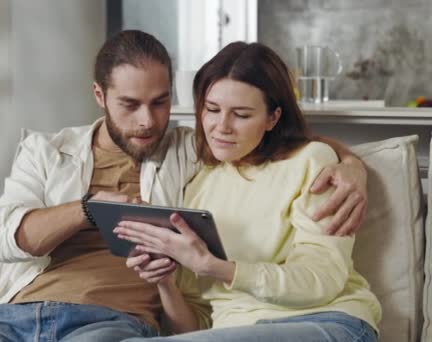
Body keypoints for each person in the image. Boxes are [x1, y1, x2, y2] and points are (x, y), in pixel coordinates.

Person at [0, 31, 369, 342]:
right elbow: (4, 238)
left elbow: (280, 142)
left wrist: (351, 164)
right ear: (99, 94)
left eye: (160, 102)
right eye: (129, 105)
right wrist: (88, 207)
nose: (147, 121)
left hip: (110, 323)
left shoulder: (187, 152)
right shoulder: (47, 152)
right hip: (17, 316)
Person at [115, 41, 382, 342]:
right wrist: (165, 282)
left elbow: (322, 280)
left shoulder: (312, 162)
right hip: (234, 330)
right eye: (212, 109)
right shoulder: (199, 182)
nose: (221, 127)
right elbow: (196, 328)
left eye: (241, 115)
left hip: (326, 321)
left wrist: (219, 268)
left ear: (273, 118)